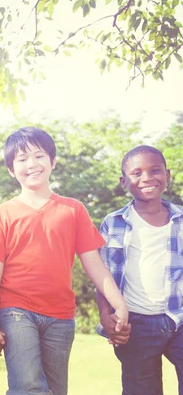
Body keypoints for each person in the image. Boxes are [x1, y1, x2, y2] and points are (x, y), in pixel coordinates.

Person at [0, 127, 129, 395]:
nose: (32, 164)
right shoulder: (2, 214)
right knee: (28, 386)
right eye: (22, 159)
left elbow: (93, 263)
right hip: (16, 310)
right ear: (11, 169)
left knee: (56, 390)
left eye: (39, 156)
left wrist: (119, 304)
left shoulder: (73, 209)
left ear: (53, 161)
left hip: (61, 315)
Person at [97, 145, 182, 395]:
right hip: (136, 323)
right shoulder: (114, 223)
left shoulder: (180, 219)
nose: (147, 178)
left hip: (179, 318)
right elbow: (103, 275)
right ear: (124, 182)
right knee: (142, 388)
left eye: (155, 170)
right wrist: (106, 316)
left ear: (167, 174)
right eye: (137, 173)